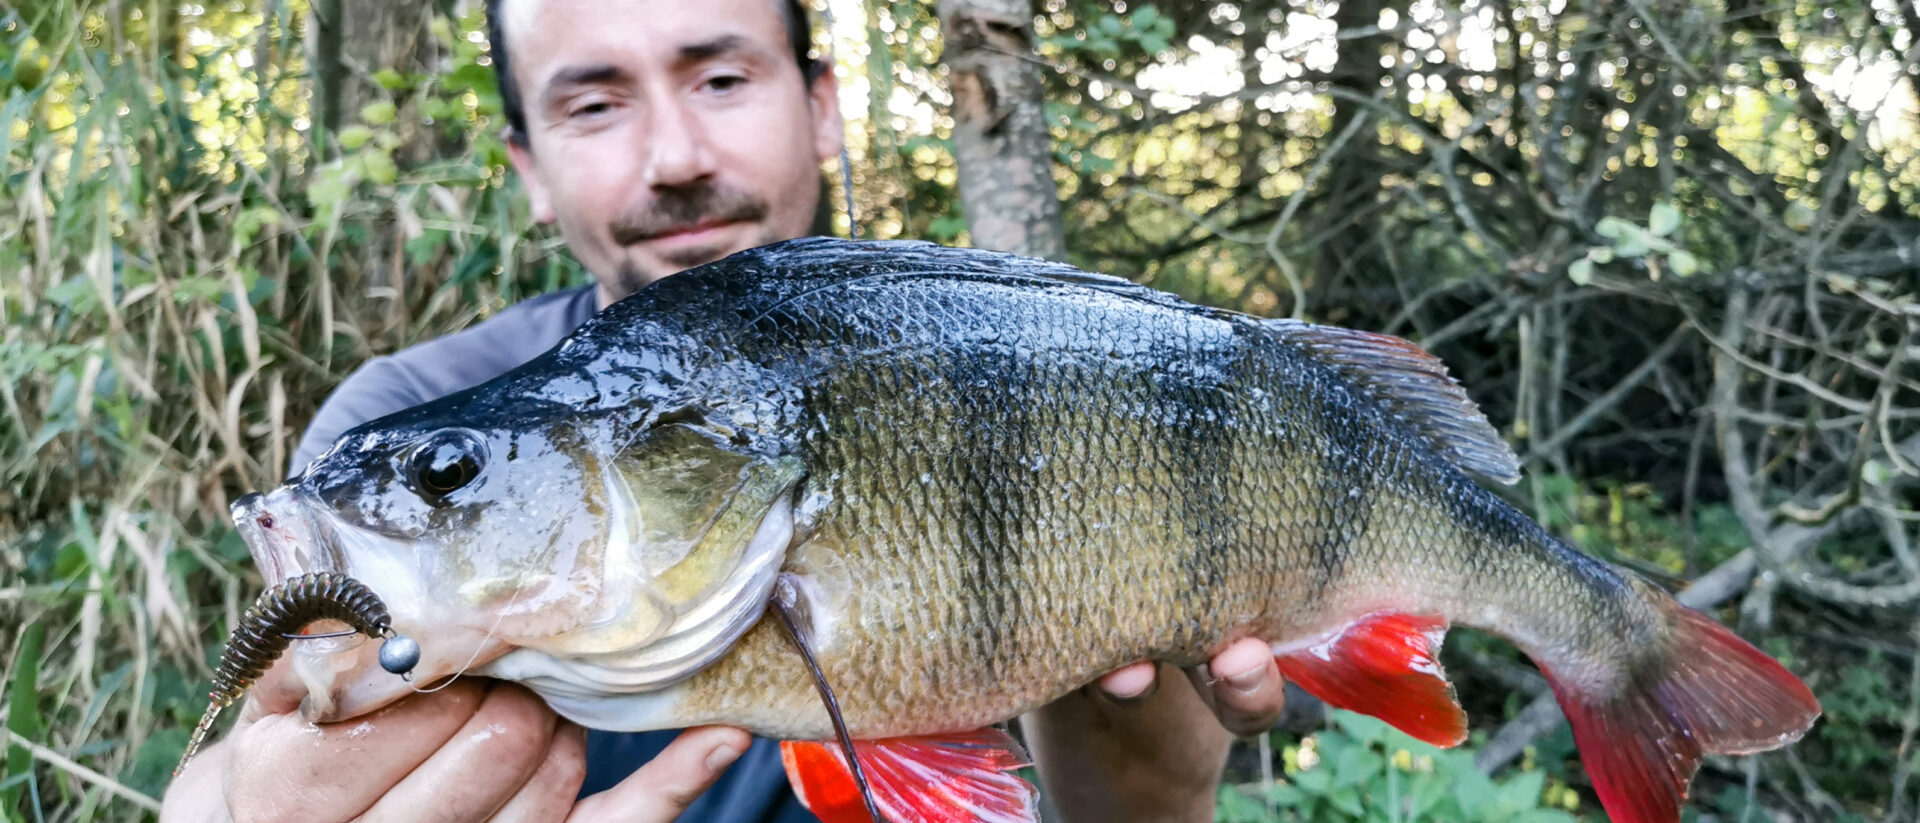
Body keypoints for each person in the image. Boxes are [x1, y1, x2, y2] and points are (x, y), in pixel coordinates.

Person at [160, 0, 1288, 820]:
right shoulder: (401, 417)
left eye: (721, 78)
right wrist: (235, 807)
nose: (674, 157)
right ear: (530, 166)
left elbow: (1134, 812)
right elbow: (251, 755)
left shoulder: (1039, 369)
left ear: (822, 104)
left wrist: (1138, 701)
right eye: (595, 103)